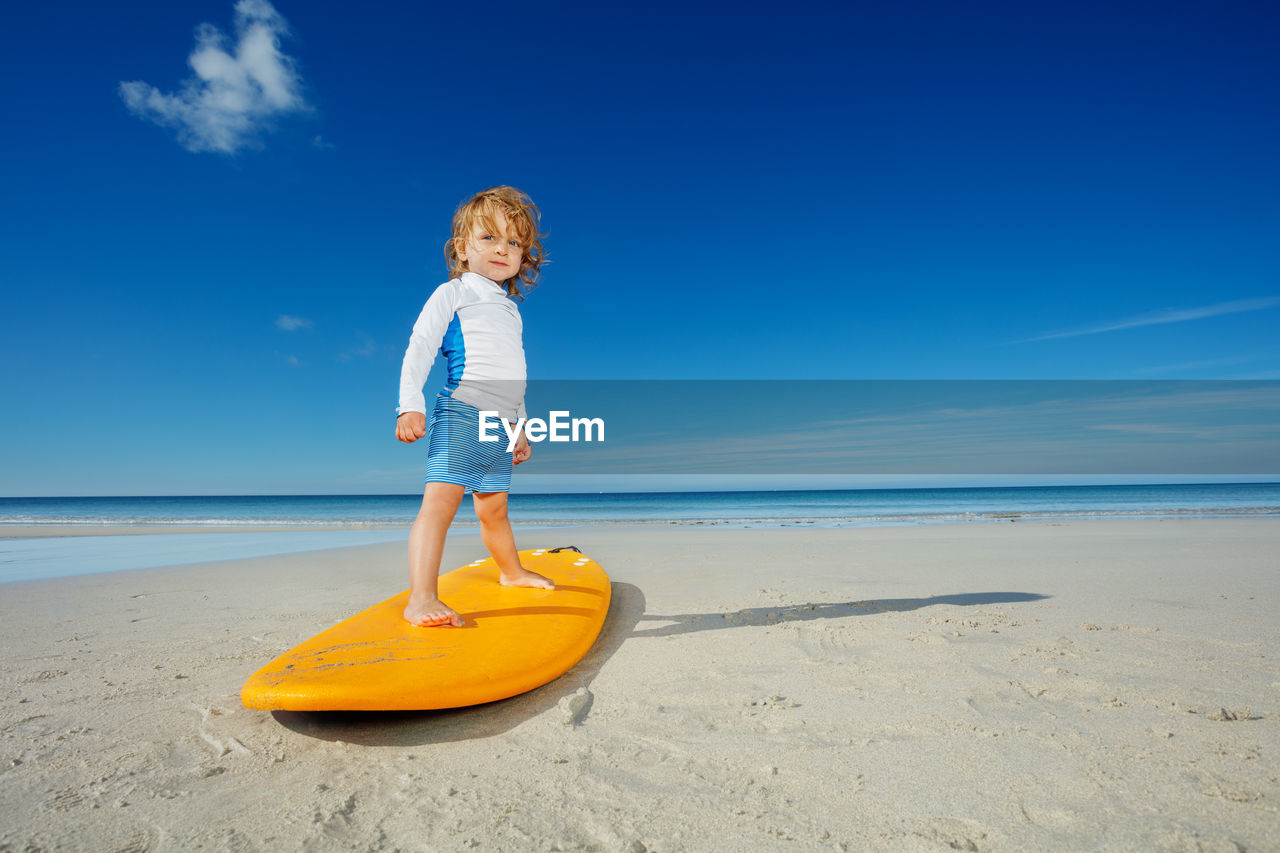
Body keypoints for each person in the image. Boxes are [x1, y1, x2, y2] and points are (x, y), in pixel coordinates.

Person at [395, 186, 554, 627]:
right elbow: (420, 347)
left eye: (514, 242)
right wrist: (410, 404)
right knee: (439, 507)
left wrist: (521, 428)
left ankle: (512, 572)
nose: (502, 249)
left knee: (493, 509)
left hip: (501, 424)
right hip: (463, 411)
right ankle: (422, 598)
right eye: (489, 238)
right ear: (463, 250)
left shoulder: (510, 310)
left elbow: (513, 375)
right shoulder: (453, 293)